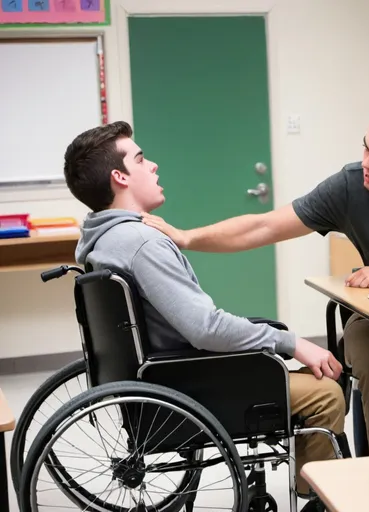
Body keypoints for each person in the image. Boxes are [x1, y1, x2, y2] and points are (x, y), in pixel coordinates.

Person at [142, 98, 369, 456]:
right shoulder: (351, 185)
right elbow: (264, 226)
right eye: (366, 148)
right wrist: (188, 238)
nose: (367, 164)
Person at [63, 120, 345, 509]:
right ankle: (317, 500)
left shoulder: (100, 242)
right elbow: (205, 329)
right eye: (141, 159)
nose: (154, 166)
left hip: (154, 383)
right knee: (326, 394)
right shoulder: (141, 242)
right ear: (119, 177)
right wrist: (291, 343)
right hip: (191, 385)